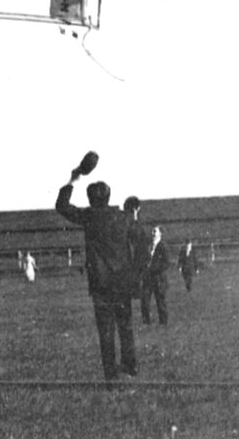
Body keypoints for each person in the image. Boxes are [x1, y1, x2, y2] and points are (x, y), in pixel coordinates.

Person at [55, 157, 144, 382]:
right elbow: (142, 241)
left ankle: (111, 378)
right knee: (126, 326)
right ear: (109, 196)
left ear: (90, 199)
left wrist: (72, 179)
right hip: (123, 281)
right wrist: (135, 271)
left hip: (101, 285)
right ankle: (131, 366)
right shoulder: (124, 218)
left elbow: (61, 206)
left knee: (106, 333)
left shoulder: (89, 217)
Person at [139, 226, 169, 326]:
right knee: (145, 299)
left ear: (160, 233)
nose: (152, 233)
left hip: (158, 278)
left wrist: (156, 268)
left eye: (155, 231)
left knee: (160, 300)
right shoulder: (148, 246)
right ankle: (146, 321)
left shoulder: (163, 246)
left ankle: (163, 322)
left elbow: (166, 263)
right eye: (152, 231)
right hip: (148, 278)